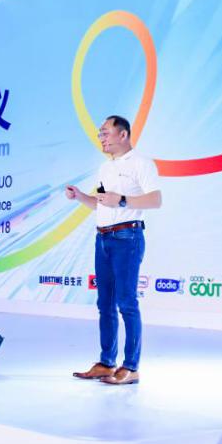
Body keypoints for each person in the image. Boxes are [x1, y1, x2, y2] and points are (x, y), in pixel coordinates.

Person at [65, 115, 162, 385]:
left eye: (105, 132)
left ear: (123, 134)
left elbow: (156, 199)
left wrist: (121, 200)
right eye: (100, 134)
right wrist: (80, 196)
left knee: (126, 302)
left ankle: (131, 367)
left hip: (127, 236)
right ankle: (107, 363)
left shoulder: (142, 163)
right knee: (104, 304)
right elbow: (101, 204)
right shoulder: (105, 168)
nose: (101, 138)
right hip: (103, 237)